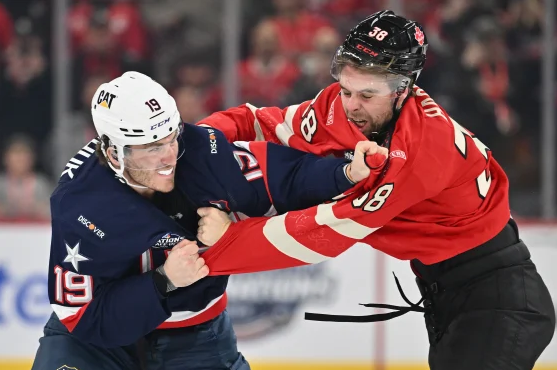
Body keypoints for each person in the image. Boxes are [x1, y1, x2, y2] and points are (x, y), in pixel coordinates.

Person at [195, 10, 555, 370]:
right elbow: (264, 124)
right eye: (346, 89)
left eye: (367, 94)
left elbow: (326, 231)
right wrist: (193, 142)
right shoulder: (340, 104)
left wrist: (219, 247)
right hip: (446, 289)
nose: (351, 105)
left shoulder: (419, 150)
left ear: (403, 89)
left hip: (499, 295)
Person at [31, 71, 383, 370]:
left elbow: (283, 176)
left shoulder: (200, 152)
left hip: (196, 340)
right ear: (113, 152)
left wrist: (347, 171)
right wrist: (164, 281)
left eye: (171, 139)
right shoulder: (79, 204)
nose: (169, 156)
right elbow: (84, 317)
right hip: (98, 347)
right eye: (152, 147)